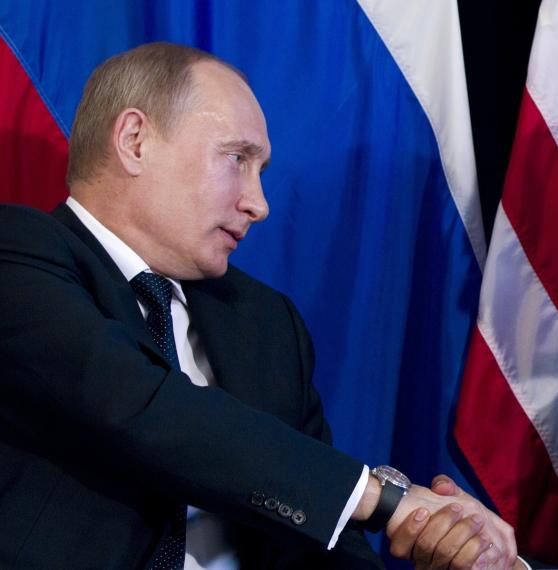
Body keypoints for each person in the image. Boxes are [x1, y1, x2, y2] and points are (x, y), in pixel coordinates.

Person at [0, 42, 518, 569]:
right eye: (237, 159)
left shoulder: (265, 322)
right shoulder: (15, 256)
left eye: (261, 169)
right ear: (135, 141)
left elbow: (328, 545)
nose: (259, 203)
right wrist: (385, 500)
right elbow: (143, 407)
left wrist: (454, 549)